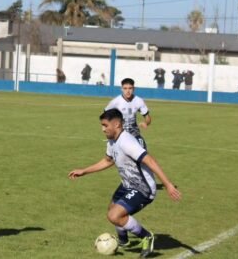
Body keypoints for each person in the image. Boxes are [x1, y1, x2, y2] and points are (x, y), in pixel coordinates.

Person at [68, 109, 181, 258]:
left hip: (142, 187)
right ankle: (123, 241)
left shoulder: (127, 142)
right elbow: (108, 160)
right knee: (111, 209)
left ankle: (146, 236)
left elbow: (150, 161)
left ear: (116, 124)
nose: (102, 129)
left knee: (114, 215)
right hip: (128, 184)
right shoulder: (112, 140)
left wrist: (168, 185)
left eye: (105, 125)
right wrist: (84, 171)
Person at [106, 78, 151, 150]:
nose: (128, 91)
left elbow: (148, 118)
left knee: (143, 152)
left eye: (130, 88)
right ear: (121, 89)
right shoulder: (115, 102)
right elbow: (105, 116)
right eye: (125, 88)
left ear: (134, 88)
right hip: (119, 133)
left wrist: (146, 123)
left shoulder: (139, 101)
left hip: (134, 133)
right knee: (114, 158)